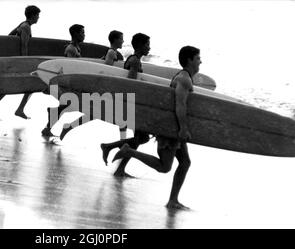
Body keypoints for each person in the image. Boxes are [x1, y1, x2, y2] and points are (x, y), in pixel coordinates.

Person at [111, 46, 200, 210]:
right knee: (164, 167)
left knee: (185, 162)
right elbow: (179, 105)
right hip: (170, 129)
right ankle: (129, 151)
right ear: (189, 60)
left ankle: (173, 200)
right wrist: (183, 129)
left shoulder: (185, 77)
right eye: (197, 58)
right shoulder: (184, 80)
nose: (200, 61)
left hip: (174, 127)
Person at [99, 33, 151, 176]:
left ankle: (117, 162)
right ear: (140, 46)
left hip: (131, 102)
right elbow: (131, 83)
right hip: (132, 103)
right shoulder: (134, 61)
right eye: (147, 44)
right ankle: (109, 148)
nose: (149, 47)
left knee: (140, 138)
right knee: (141, 137)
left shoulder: (133, 59)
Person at [57, 30, 124, 140]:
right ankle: (123, 142)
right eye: (121, 39)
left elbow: (104, 65)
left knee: (96, 114)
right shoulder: (111, 52)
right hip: (106, 88)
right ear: (115, 40)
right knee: (116, 114)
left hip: (107, 88)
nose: (123, 41)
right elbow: (106, 70)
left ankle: (68, 127)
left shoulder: (112, 52)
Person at [0, 5, 41, 119]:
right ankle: (19, 109)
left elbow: (10, 37)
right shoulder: (26, 27)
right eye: (37, 15)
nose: (38, 18)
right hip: (18, 61)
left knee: (7, 86)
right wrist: (24, 62)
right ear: (33, 15)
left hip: (14, 60)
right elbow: (23, 45)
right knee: (33, 84)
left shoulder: (23, 24)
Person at [41, 24, 85, 137]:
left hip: (71, 83)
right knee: (71, 105)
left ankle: (48, 127)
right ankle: (49, 125)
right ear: (75, 34)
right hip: (68, 83)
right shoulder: (71, 49)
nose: (84, 35)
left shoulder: (76, 47)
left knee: (67, 105)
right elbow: (68, 67)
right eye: (82, 32)